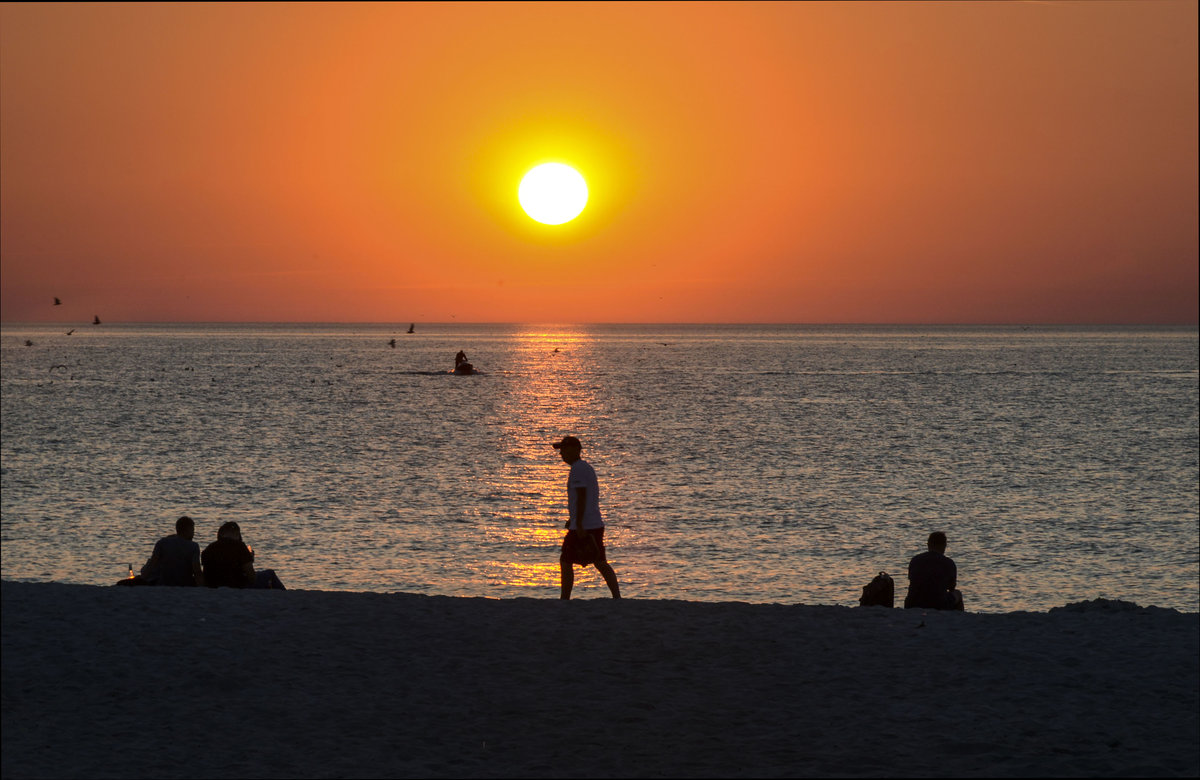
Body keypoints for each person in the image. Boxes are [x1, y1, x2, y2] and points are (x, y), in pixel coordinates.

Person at [552, 435, 620, 600]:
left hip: (585, 525)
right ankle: (617, 598)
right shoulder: (583, 468)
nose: (561, 454)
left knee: (567, 560)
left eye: (564, 449)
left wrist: (579, 523)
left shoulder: (578, 469)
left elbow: (582, 496)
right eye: (561, 450)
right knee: (599, 561)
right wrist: (573, 518)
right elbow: (584, 498)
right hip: (590, 522)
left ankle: (564, 599)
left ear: (576, 450)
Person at [201, 521, 286, 589]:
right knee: (270, 574)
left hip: (214, 586)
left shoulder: (209, 548)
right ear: (237, 533)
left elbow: (206, 574)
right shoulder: (240, 546)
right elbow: (251, 577)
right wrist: (250, 559)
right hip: (237, 585)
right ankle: (284, 595)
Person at [904, 531, 963, 610]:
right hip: (938, 604)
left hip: (912, 603)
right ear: (944, 545)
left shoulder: (915, 560)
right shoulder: (948, 563)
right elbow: (951, 587)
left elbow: (912, 579)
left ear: (928, 544)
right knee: (957, 593)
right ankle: (957, 618)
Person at [139, 516, 205, 586]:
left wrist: (141, 580)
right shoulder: (193, 546)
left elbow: (151, 565)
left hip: (164, 583)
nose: (193, 534)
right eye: (193, 530)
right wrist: (202, 587)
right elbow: (197, 571)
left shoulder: (162, 542)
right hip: (184, 584)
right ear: (188, 530)